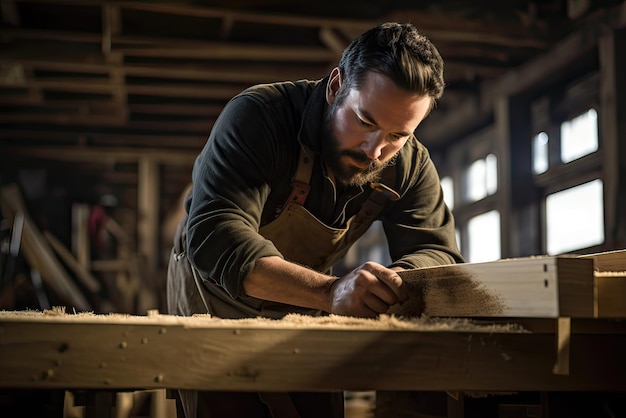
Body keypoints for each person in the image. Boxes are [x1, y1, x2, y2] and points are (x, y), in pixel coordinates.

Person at [167, 21, 464, 418]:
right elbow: (217, 232)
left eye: (398, 135)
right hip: (216, 295)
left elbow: (437, 251)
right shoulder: (260, 117)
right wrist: (329, 293)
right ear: (335, 86)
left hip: (313, 299)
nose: (375, 151)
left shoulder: (408, 165)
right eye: (365, 122)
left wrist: (396, 282)